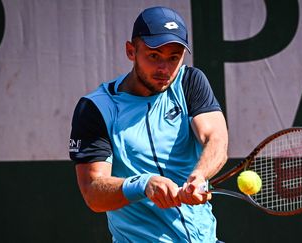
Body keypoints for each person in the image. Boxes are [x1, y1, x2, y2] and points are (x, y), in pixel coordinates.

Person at [69, 6, 228, 243]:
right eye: (154, 56)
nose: (164, 69)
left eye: (173, 58)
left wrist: (199, 174)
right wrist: (143, 184)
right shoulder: (96, 108)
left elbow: (216, 139)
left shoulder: (189, 82)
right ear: (131, 51)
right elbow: (93, 192)